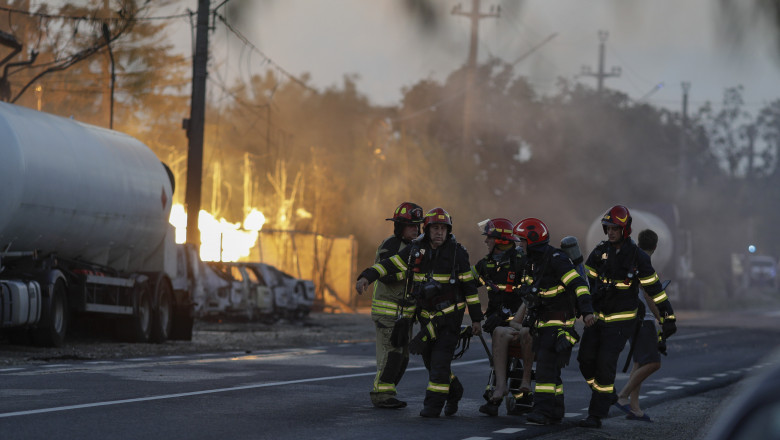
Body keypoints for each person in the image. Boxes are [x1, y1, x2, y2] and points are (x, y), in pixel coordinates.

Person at [356, 207, 483, 418]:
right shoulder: (416, 250)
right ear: (428, 229)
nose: (439, 232)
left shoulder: (457, 253)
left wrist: (477, 319)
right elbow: (390, 264)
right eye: (435, 228)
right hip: (426, 320)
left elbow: (469, 288)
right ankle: (454, 390)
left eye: (443, 228)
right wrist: (366, 277)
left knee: (440, 361)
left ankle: (433, 407)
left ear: (448, 231)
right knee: (431, 362)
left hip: (450, 319)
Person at [577, 205, 677, 429]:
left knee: (605, 365)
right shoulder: (600, 251)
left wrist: (669, 317)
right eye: (608, 228)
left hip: (621, 323)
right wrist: (584, 309)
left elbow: (655, 289)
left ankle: (596, 415)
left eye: (615, 228)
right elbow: (584, 282)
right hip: (596, 319)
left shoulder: (638, 257)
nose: (611, 232)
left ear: (625, 229)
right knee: (585, 361)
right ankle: (607, 394)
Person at [512, 218, 596, 425]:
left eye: (521, 241)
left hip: (559, 325)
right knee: (551, 368)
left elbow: (579, 285)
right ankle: (556, 409)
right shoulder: (533, 262)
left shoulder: (556, 259)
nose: (519, 245)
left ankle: (542, 411)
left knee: (544, 371)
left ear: (532, 240)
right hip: (542, 323)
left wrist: (586, 312)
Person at [359, 202, 424, 409]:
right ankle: (381, 394)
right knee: (391, 353)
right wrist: (412, 271)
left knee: (403, 358)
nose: (415, 229)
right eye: (410, 225)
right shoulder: (390, 245)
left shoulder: (418, 248)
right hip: (387, 313)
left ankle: (388, 391)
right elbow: (387, 275)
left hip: (405, 315)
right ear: (399, 227)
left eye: (417, 225)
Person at [471, 218, 534, 417]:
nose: (486, 241)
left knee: (513, 355)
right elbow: (467, 283)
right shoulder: (486, 263)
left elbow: (530, 295)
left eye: (489, 237)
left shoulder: (521, 261)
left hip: (520, 320)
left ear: (500, 240)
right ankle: (498, 393)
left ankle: (515, 395)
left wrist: (504, 315)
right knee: (501, 353)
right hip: (497, 320)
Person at [614, 229, 664, 422]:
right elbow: (648, 295)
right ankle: (623, 395)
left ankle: (634, 409)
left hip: (630, 316)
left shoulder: (632, 258)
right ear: (656, 246)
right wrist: (660, 317)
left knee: (639, 362)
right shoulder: (645, 263)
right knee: (653, 363)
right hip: (643, 319)